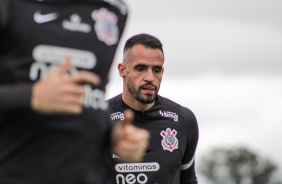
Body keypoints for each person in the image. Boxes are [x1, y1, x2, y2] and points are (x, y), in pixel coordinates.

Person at [0, 1, 149, 183]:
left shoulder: (114, 11)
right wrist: (31, 95)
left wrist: (113, 139)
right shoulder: (8, 6)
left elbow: (91, 100)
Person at [108, 33, 199, 184]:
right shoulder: (98, 118)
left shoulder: (183, 120)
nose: (150, 77)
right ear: (122, 70)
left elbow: (188, 180)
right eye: (141, 68)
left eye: (156, 70)